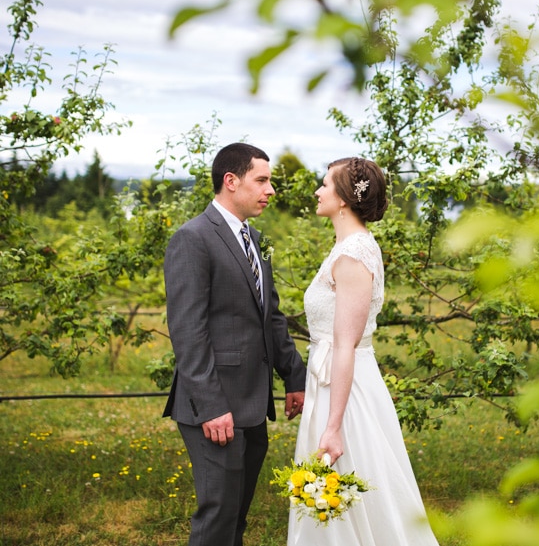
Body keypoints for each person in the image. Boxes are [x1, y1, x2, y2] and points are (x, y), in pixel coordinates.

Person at [288, 157, 439, 545]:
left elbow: (345, 344)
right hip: (331, 379)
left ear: (343, 200)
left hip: (347, 389)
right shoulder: (345, 247)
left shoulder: (354, 254)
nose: (317, 192)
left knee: (354, 481)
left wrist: (334, 425)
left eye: (324, 185)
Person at [163, 142, 307, 546]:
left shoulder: (254, 239)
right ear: (231, 181)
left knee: (235, 518)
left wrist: (294, 377)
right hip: (215, 408)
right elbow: (188, 333)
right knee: (217, 519)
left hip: (253, 405)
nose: (271, 189)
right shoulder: (192, 239)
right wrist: (212, 406)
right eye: (262, 180)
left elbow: (270, 316)